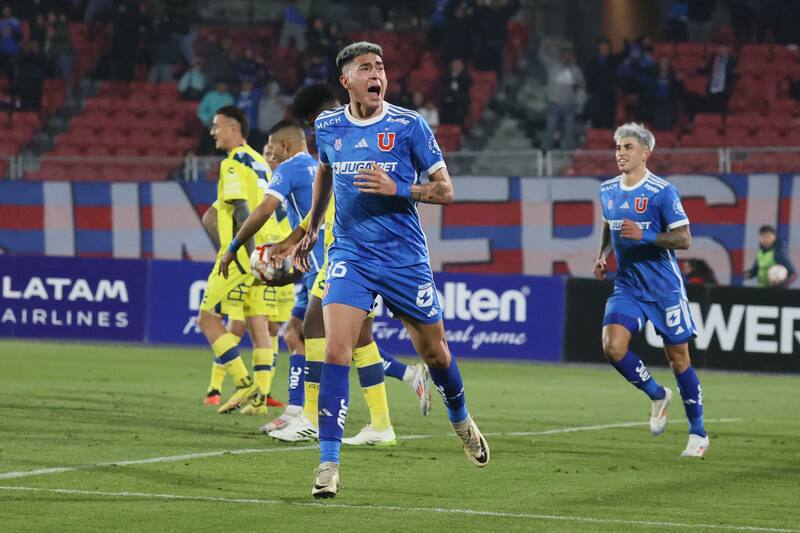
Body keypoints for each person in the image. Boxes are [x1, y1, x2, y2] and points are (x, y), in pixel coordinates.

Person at [296, 42, 490, 498]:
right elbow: (325, 171)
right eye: (366, 67)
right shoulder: (328, 126)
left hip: (403, 260)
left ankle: (461, 419)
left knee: (436, 354)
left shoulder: (408, 126)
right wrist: (312, 224)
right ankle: (328, 465)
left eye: (380, 66)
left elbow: (446, 192)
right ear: (347, 81)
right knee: (335, 351)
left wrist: (397, 186)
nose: (376, 73)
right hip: (351, 256)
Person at [263, 83, 433, 445]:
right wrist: (297, 240)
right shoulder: (338, 143)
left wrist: (295, 242)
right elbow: (320, 210)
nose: (314, 132)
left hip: (355, 257)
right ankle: (382, 422)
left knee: (312, 327)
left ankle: (310, 416)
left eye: (312, 123)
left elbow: (335, 208)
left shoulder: (349, 141)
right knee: (359, 340)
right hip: (345, 254)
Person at [593, 122, 708, 458]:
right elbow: (608, 225)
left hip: (664, 290)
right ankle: (657, 394)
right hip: (627, 286)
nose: (620, 154)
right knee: (612, 348)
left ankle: (698, 433)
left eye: (627, 147)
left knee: (679, 360)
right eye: (617, 148)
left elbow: (684, 239)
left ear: (646, 152)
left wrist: (643, 235)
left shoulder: (662, 191)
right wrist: (602, 256)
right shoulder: (608, 190)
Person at [197, 105, 274, 414]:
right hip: (262, 255)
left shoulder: (231, 164)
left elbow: (242, 209)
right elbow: (214, 214)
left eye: (217, 126)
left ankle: (244, 384)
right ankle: (256, 396)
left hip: (242, 255)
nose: (212, 131)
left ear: (232, 129)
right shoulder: (258, 161)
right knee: (256, 326)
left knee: (208, 320)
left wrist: (240, 250)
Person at [540, 40, 585, 151]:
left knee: (569, 130)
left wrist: (579, 102)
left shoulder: (575, 70)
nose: (567, 57)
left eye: (569, 55)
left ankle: (567, 153)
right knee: (550, 128)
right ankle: (547, 152)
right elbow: (542, 57)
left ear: (572, 57)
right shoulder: (553, 66)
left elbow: (581, 86)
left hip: (569, 105)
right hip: (554, 104)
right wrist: (543, 47)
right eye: (565, 55)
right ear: (561, 56)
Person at [439, 58, 471, 125]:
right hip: (447, 100)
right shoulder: (446, 76)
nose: (457, 67)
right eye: (455, 65)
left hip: (459, 101)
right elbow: (443, 88)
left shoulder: (466, 77)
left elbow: (465, 89)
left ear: (462, 67)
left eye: (459, 65)